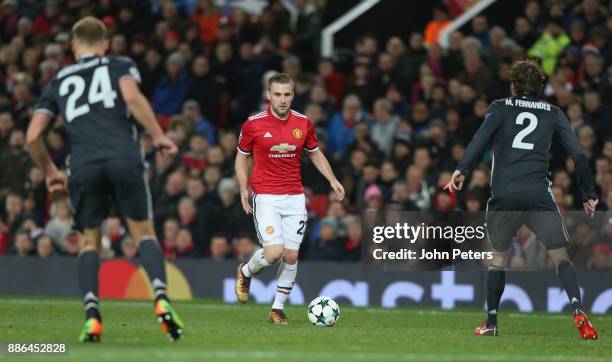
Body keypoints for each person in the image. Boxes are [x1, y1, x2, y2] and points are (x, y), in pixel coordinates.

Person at [25, 17, 184, 342]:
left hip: (83, 165)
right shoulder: (118, 64)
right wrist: (157, 136)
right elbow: (132, 97)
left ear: (72, 45)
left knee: (89, 241)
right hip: (124, 157)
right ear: (106, 42)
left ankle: (93, 316)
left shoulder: (58, 80)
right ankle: (160, 297)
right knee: (143, 233)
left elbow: (32, 136)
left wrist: (50, 171)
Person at [444, 60, 598, 339]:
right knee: (560, 257)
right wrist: (588, 193)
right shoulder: (553, 112)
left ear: (514, 85)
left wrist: (462, 168)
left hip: (504, 195)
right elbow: (578, 155)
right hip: (539, 194)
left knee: (498, 257)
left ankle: (491, 322)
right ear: (540, 87)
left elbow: (480, 139)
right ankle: (578, 310)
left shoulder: (500, 107)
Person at [234, 72, 345, 325]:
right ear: (268, 96)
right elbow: (242, 156)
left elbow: (315, 153)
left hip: (294, 196)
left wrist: (332, 179)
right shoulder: (253, 124)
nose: (282, 100)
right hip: (266, 196)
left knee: (292, 256)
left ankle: (277, 308)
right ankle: (245, 270)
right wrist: (243, 187)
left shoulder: (304, 123)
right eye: (277, 94)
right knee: (274, 253)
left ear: (293, 95)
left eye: (287, 94)